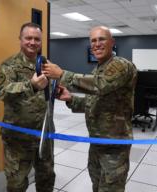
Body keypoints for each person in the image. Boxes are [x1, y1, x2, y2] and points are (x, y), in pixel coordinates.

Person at [42, 26, 137, 192]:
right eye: (93, 40)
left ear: (112, 42)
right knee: (96, 185)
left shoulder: (122, 66)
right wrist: (70, 98)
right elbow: (91, 104)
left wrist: (61, 74)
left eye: (102, 39)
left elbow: (101, 85)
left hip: (114, 146)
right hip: (96, 143)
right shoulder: (98, 70)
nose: (97, 44)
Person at [0, 22, 55, 192]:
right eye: (28, 38)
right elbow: (2, 92)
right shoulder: (9, 65)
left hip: (44, 134)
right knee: (17, 183)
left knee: (47, 177)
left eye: (37, 39)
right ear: (20, 40)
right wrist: (31, 85)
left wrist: (57, 90)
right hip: (18, 138)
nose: (32, 42)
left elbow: (48, 93)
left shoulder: (45, 65)